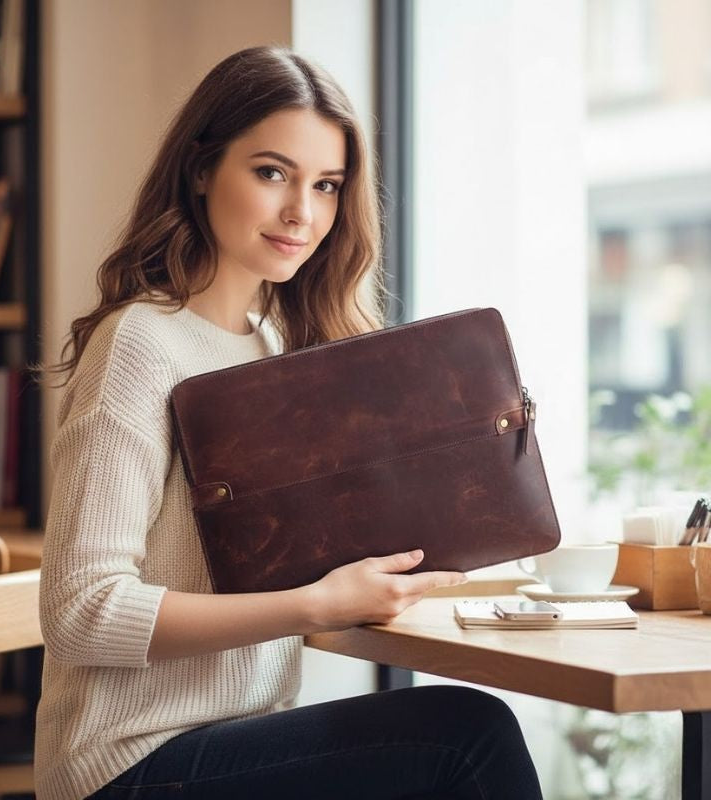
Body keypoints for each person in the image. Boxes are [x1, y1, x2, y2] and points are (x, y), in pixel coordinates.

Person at [34, 45, 544, 800]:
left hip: (231, 741)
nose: (303, 213)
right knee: (467, 739)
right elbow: (79, 611)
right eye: (272, 173)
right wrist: (316, 606)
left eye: (327, 185)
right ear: (202, 169)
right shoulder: (141, 344)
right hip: (126, 767)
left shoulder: (273, 345)